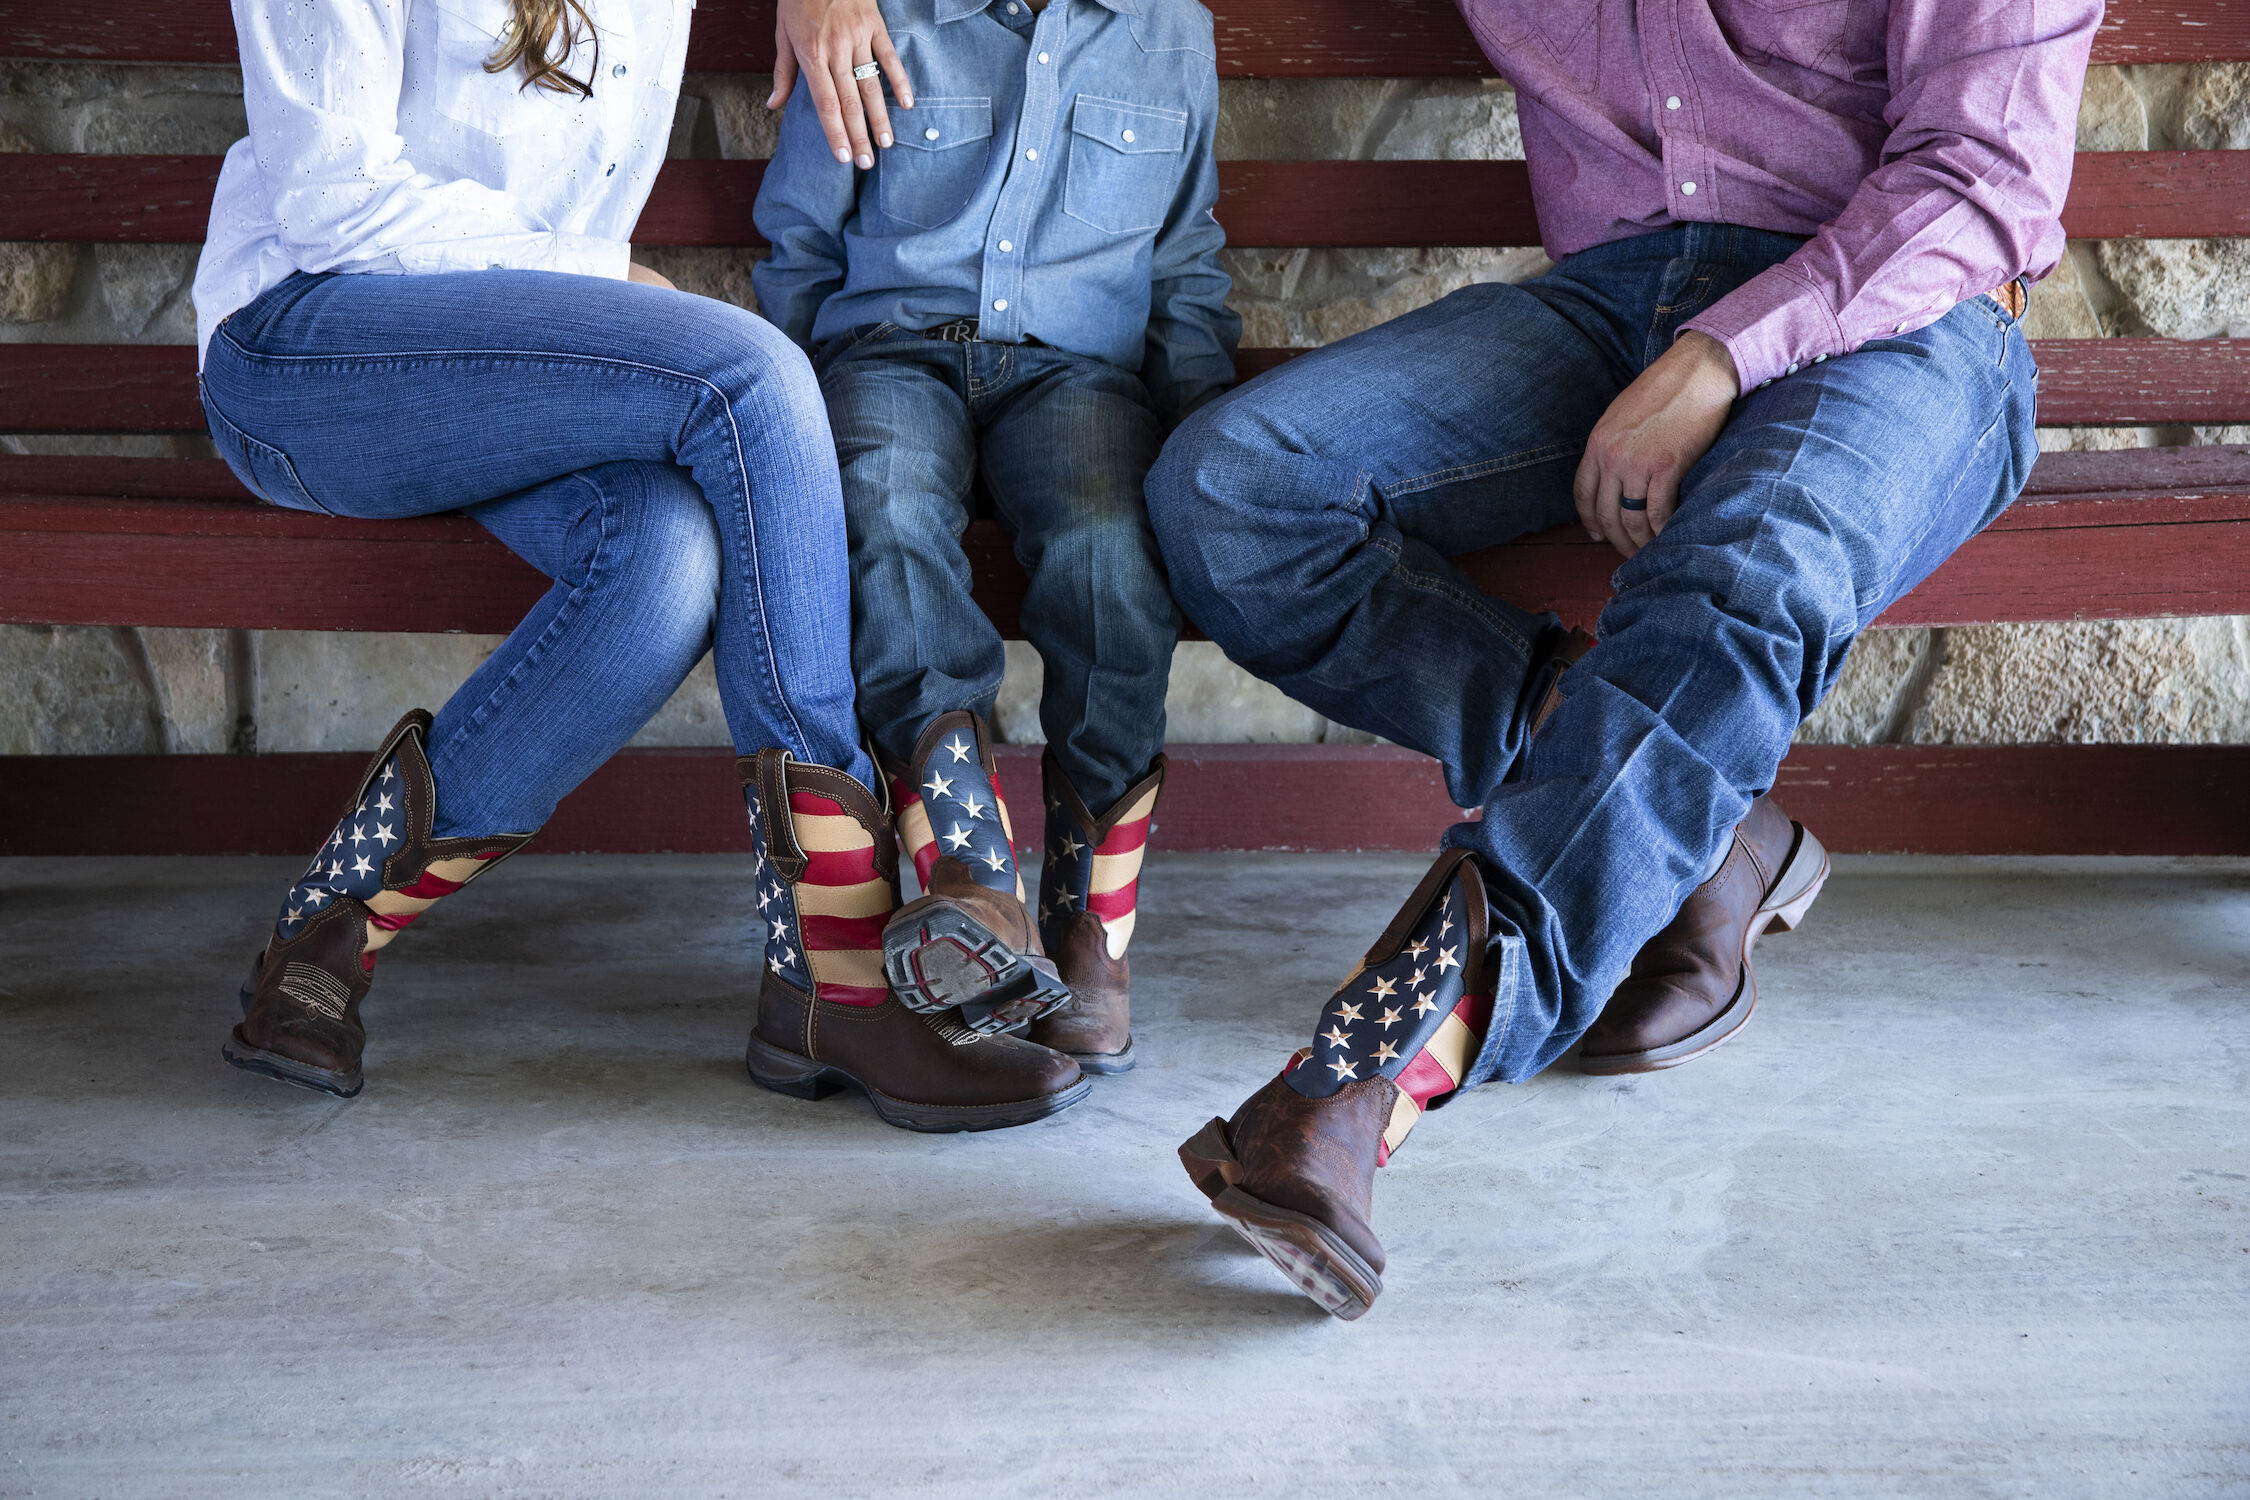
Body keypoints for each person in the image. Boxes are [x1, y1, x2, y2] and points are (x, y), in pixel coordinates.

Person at [1149, 0, 2100, 1317]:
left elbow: (1981, 178)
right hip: (1611, 304)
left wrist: (1723, 352)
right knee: (1231, 490)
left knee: (1739, 580)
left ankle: (1368, 1076)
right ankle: (1705, 834)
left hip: (1906, 322)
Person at [197, 0, 1089, 1131]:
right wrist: (604, 273)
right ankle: (839, 966)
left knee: (662, 565)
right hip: (309, 347)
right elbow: (334, 199)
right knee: (751, 378)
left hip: (517, 374)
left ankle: (332, 926)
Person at [751, 0, 1237, 1067]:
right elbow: (798, 241)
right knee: (881, 506)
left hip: (1080, 372)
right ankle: (970, 868)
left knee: (1111, 550)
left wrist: (1208, 452)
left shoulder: (1169, 33)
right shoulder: (876, 15)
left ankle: (1088, 925)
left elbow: (1186, 262)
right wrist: (772, 429)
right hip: (889, 352)